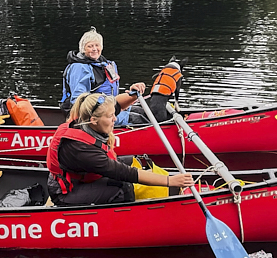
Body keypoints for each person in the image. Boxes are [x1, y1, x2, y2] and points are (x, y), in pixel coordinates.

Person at [47, 92, 193, 206]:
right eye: (111, 116)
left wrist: (133, 95)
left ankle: (165, 192)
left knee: (135, 161)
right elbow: (124, 173)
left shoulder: (88, 116)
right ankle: (133, 219)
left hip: (81, 176)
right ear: (94, 120)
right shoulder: (81, 150)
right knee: (123, 188)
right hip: (67, 192)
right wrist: (169, 181)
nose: (115, 119)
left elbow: (116, 105)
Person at [59, 27, 146, 126]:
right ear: (83, 49)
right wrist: (106, 108)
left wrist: (126, 99)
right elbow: (79, 100)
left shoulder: (106, 64)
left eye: (97, 45)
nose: (94, 49)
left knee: (143, 112)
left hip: (109, 107)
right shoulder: (79, 67)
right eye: (90, 46)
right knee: (138, 119)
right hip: (91, 114)